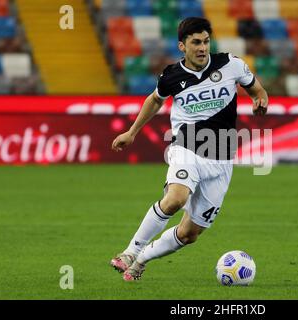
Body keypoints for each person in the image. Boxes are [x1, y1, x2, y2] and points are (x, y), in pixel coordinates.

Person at [110, 17, 269, 281]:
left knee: (189, 234)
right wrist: (132, 132)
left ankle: (142, 260)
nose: (202, 48)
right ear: (182, 46)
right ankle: (130, 251)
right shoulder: (172, 76)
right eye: (196, 42)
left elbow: (258, 91)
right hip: (187, 148)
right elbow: (154, 100)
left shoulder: (231, 64)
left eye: (206, 41)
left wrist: (260, 101)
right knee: (175, 198)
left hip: (222, 159)